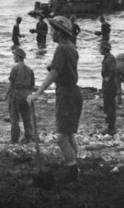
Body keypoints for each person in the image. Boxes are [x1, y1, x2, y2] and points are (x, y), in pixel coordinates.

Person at [27, 16, 83, 184]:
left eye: (52, 30)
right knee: (69, 135)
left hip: (66, 94)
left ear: (60, 32)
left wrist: (37, 93)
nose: (50, 33)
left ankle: (72, 173)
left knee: (61, 138)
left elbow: (54, 73)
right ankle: (74, 169)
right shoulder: (71, 47)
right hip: (72, 93)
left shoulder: (62, 49)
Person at [3, 47, 35, 143]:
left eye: (14, 55)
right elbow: (32, 85)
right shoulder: (30, 69)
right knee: (26, 116)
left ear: (18, 57)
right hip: (26, 93)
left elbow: (11, 84)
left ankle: (14, 139)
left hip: (16, 93)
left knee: (14, 117)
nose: (13, 57)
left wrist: (5, 95)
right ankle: (28, 137)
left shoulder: (15, 68)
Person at [99, 41, 118, 135]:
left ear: (105, 49)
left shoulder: (110, 58)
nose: (99, 49)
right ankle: (109, 126)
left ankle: (111, 128)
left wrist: (108, 79)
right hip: (107, 85)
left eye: (101, 48)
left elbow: (113, 71)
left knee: (110, 106)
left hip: (110, 85)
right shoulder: (107, 58)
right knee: (107, 105)